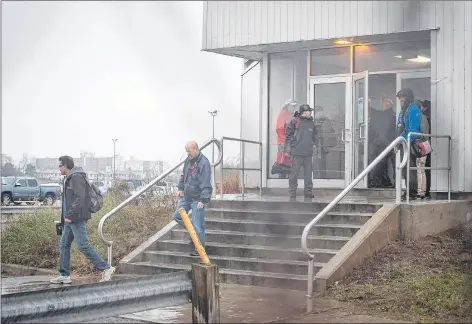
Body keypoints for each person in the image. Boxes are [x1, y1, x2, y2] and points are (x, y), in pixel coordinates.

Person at [50, 156, 115, 284]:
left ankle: (106, 268)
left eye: (60, 166)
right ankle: (64, 275)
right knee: (63, 244)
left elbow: (80, 198)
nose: (59, 168)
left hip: (77, 218)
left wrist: (69, 215)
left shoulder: (76, 177)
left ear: (66, 166)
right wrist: (64, 218)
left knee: (83, 245)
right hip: (70, 219)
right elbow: (68, 201)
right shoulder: (69, 178)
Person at [173, 141, 212, 256]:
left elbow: (206, 183)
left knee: (198, 225)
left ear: (195, 149)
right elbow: (183, 175)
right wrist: (180, 188)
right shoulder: (188, 160)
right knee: (176, 216)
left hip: (197, 199)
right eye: (186, 151)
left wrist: (203, 200)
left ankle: (200, 249)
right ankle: (193, 234)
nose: (187, 153)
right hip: (186, 196)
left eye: (189, 151)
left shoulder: (204, 163)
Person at [285, 104, 317, 200]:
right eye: (309, 111)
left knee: (308, 174)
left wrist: (314, 143)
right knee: (294, 174)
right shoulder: (295, 121)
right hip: (297, 153)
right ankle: (292, 193)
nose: (310, 112)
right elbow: (288, 133)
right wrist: (294, 144)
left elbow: (315, 135)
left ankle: (308, 192)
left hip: (308, 153)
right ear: (304, 112)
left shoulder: (311, 123)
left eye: (310, 111)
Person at [396, 88, 421, 201]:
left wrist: (404, 142)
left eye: (402, 99)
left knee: (410, 168)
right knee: (405, 169)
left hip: (409, 144)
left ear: (408, 98)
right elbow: (400, 127)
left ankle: (412, 192)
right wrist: (397, 141)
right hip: (403, 143)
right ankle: (408, 190)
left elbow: (413, 130)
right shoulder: (402, 111)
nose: (401, 101)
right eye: (400, 99)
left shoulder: (413, 109)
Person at [275, 99, 298, 179]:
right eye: (292, 106)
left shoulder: (291, 115)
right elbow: (279, 128)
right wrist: (283, 142)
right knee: (283, 162)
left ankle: (287, 180)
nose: (293, 107)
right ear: (287, 106)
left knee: (288, 162)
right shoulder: (283, 114)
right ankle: (281, 181)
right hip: (284, 142)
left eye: (294, 106)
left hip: (289, 142)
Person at [421, 100, 432, 199]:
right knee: (426, 168)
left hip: (425, 144)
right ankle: (427, 191)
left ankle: (424, 191)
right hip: (429, 144)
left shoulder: (424, 116)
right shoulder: (430, 115)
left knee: (423, 168)